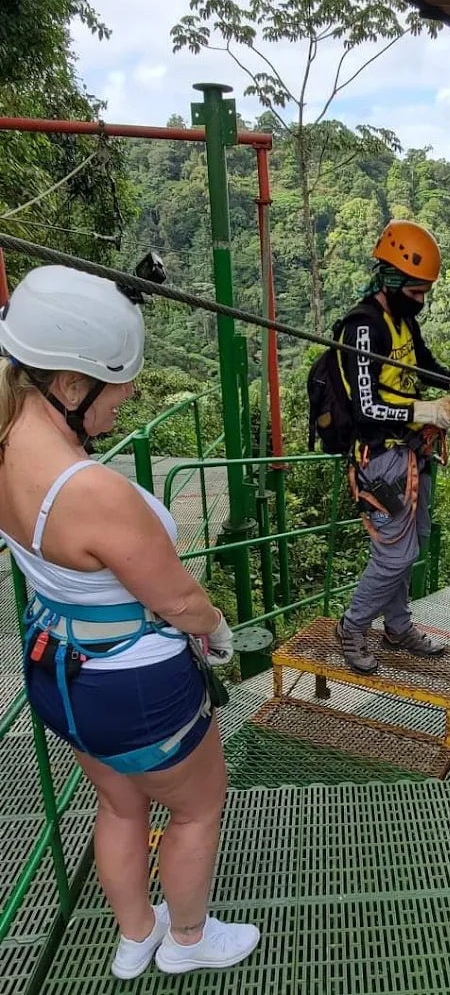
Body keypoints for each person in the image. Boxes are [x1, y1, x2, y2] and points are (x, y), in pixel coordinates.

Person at [0, 266, 260, 978]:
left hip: (61, 670)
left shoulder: (7, 436)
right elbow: (178, 601)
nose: (129, 398)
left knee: (119, 808)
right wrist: (217, 628)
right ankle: (187, 941)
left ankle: (135, 936)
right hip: (134, 685)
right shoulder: (91, 494)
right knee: (196, 809)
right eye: (120, 386)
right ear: (71, 386)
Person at [334, 220, 450, 673]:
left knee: (416, 542)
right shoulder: (362, 327)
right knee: (397, 554)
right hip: (379, 458)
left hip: (411, 452)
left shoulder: (401, 320)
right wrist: (426, 411)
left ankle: (397, 626)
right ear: (391, 282)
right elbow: (366, 406)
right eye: (415, 292)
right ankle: (352, 627)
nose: (421, 301)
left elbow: (422, 363)